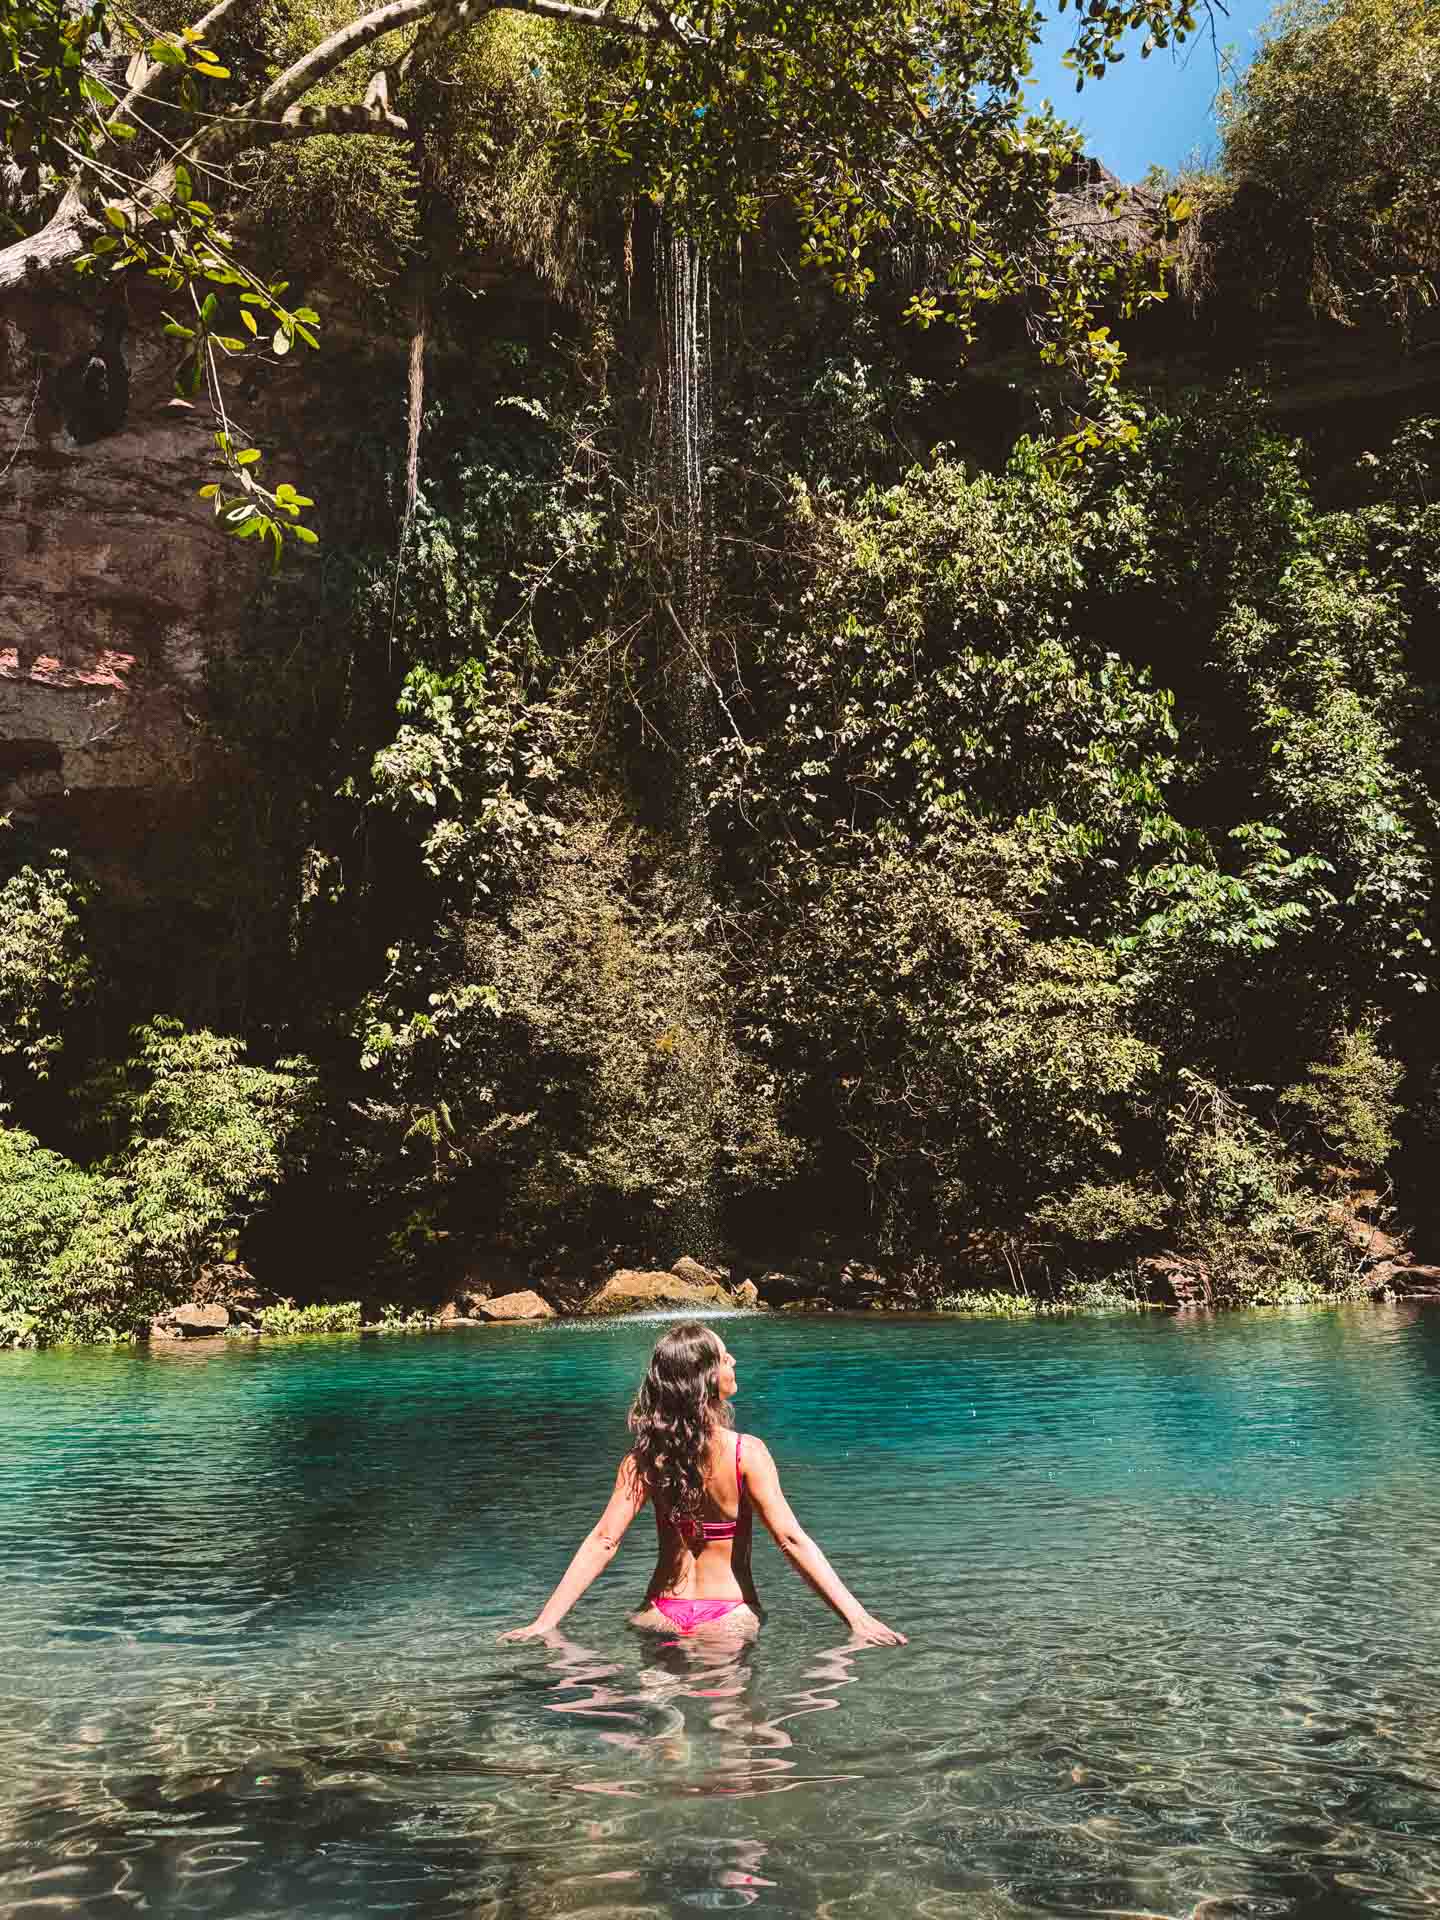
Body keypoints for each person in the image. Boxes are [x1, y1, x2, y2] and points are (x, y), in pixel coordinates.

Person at [498, 1320, 906, 1647]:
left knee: (662, 1741)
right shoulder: (747, 1452)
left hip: (660, 1613)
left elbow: (604, 1541)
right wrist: (858, 1617)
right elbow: (792, 1540)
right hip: (726, 1616)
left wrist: (545, 1623)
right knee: (734, 1736)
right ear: (708, 1376)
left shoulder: (644, 1458)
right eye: (724, 1356)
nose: (733, 1360)